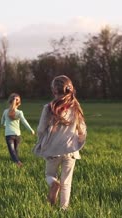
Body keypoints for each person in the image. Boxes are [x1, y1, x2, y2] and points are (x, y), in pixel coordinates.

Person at [33, 75, 87, 210]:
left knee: (49, 175)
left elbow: (40, 129)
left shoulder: (48, 108)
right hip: (71, 151)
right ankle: (64, 209)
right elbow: (82, 129)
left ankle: (53, 184)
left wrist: (42, 140)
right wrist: (78, 142)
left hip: (53, 150)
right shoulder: (75, 107)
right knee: (67, 183)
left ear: (54, 91)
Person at [1, 93, 35, 167]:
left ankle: (18, 163)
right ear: (19, 103)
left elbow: (2, 122)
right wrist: (31, 130)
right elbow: (24, 122)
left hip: (9, 135)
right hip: (17, 135)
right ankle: (17, 163)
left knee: (12, 152)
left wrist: (5, 124)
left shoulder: (5, 112)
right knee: (15, 151)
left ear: (9, 101)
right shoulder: (19, 112)